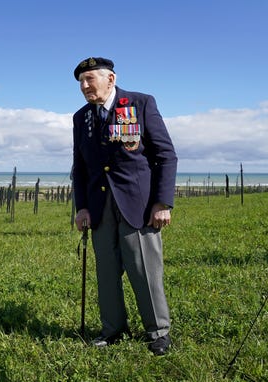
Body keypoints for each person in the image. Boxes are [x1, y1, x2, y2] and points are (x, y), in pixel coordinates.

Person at [71, 57, 178, 356]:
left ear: (111, 78)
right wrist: (81, 208)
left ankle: (158, 332)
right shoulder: (82, 118)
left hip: (138, 204)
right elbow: (79, 168)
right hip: (99, 206)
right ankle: (113, 329)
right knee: (106, 271)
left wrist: (162, 202)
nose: (84, 86)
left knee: (144, 269)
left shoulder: (141, 104)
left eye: (90, 78)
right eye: (81, 81)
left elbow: (166, 156)